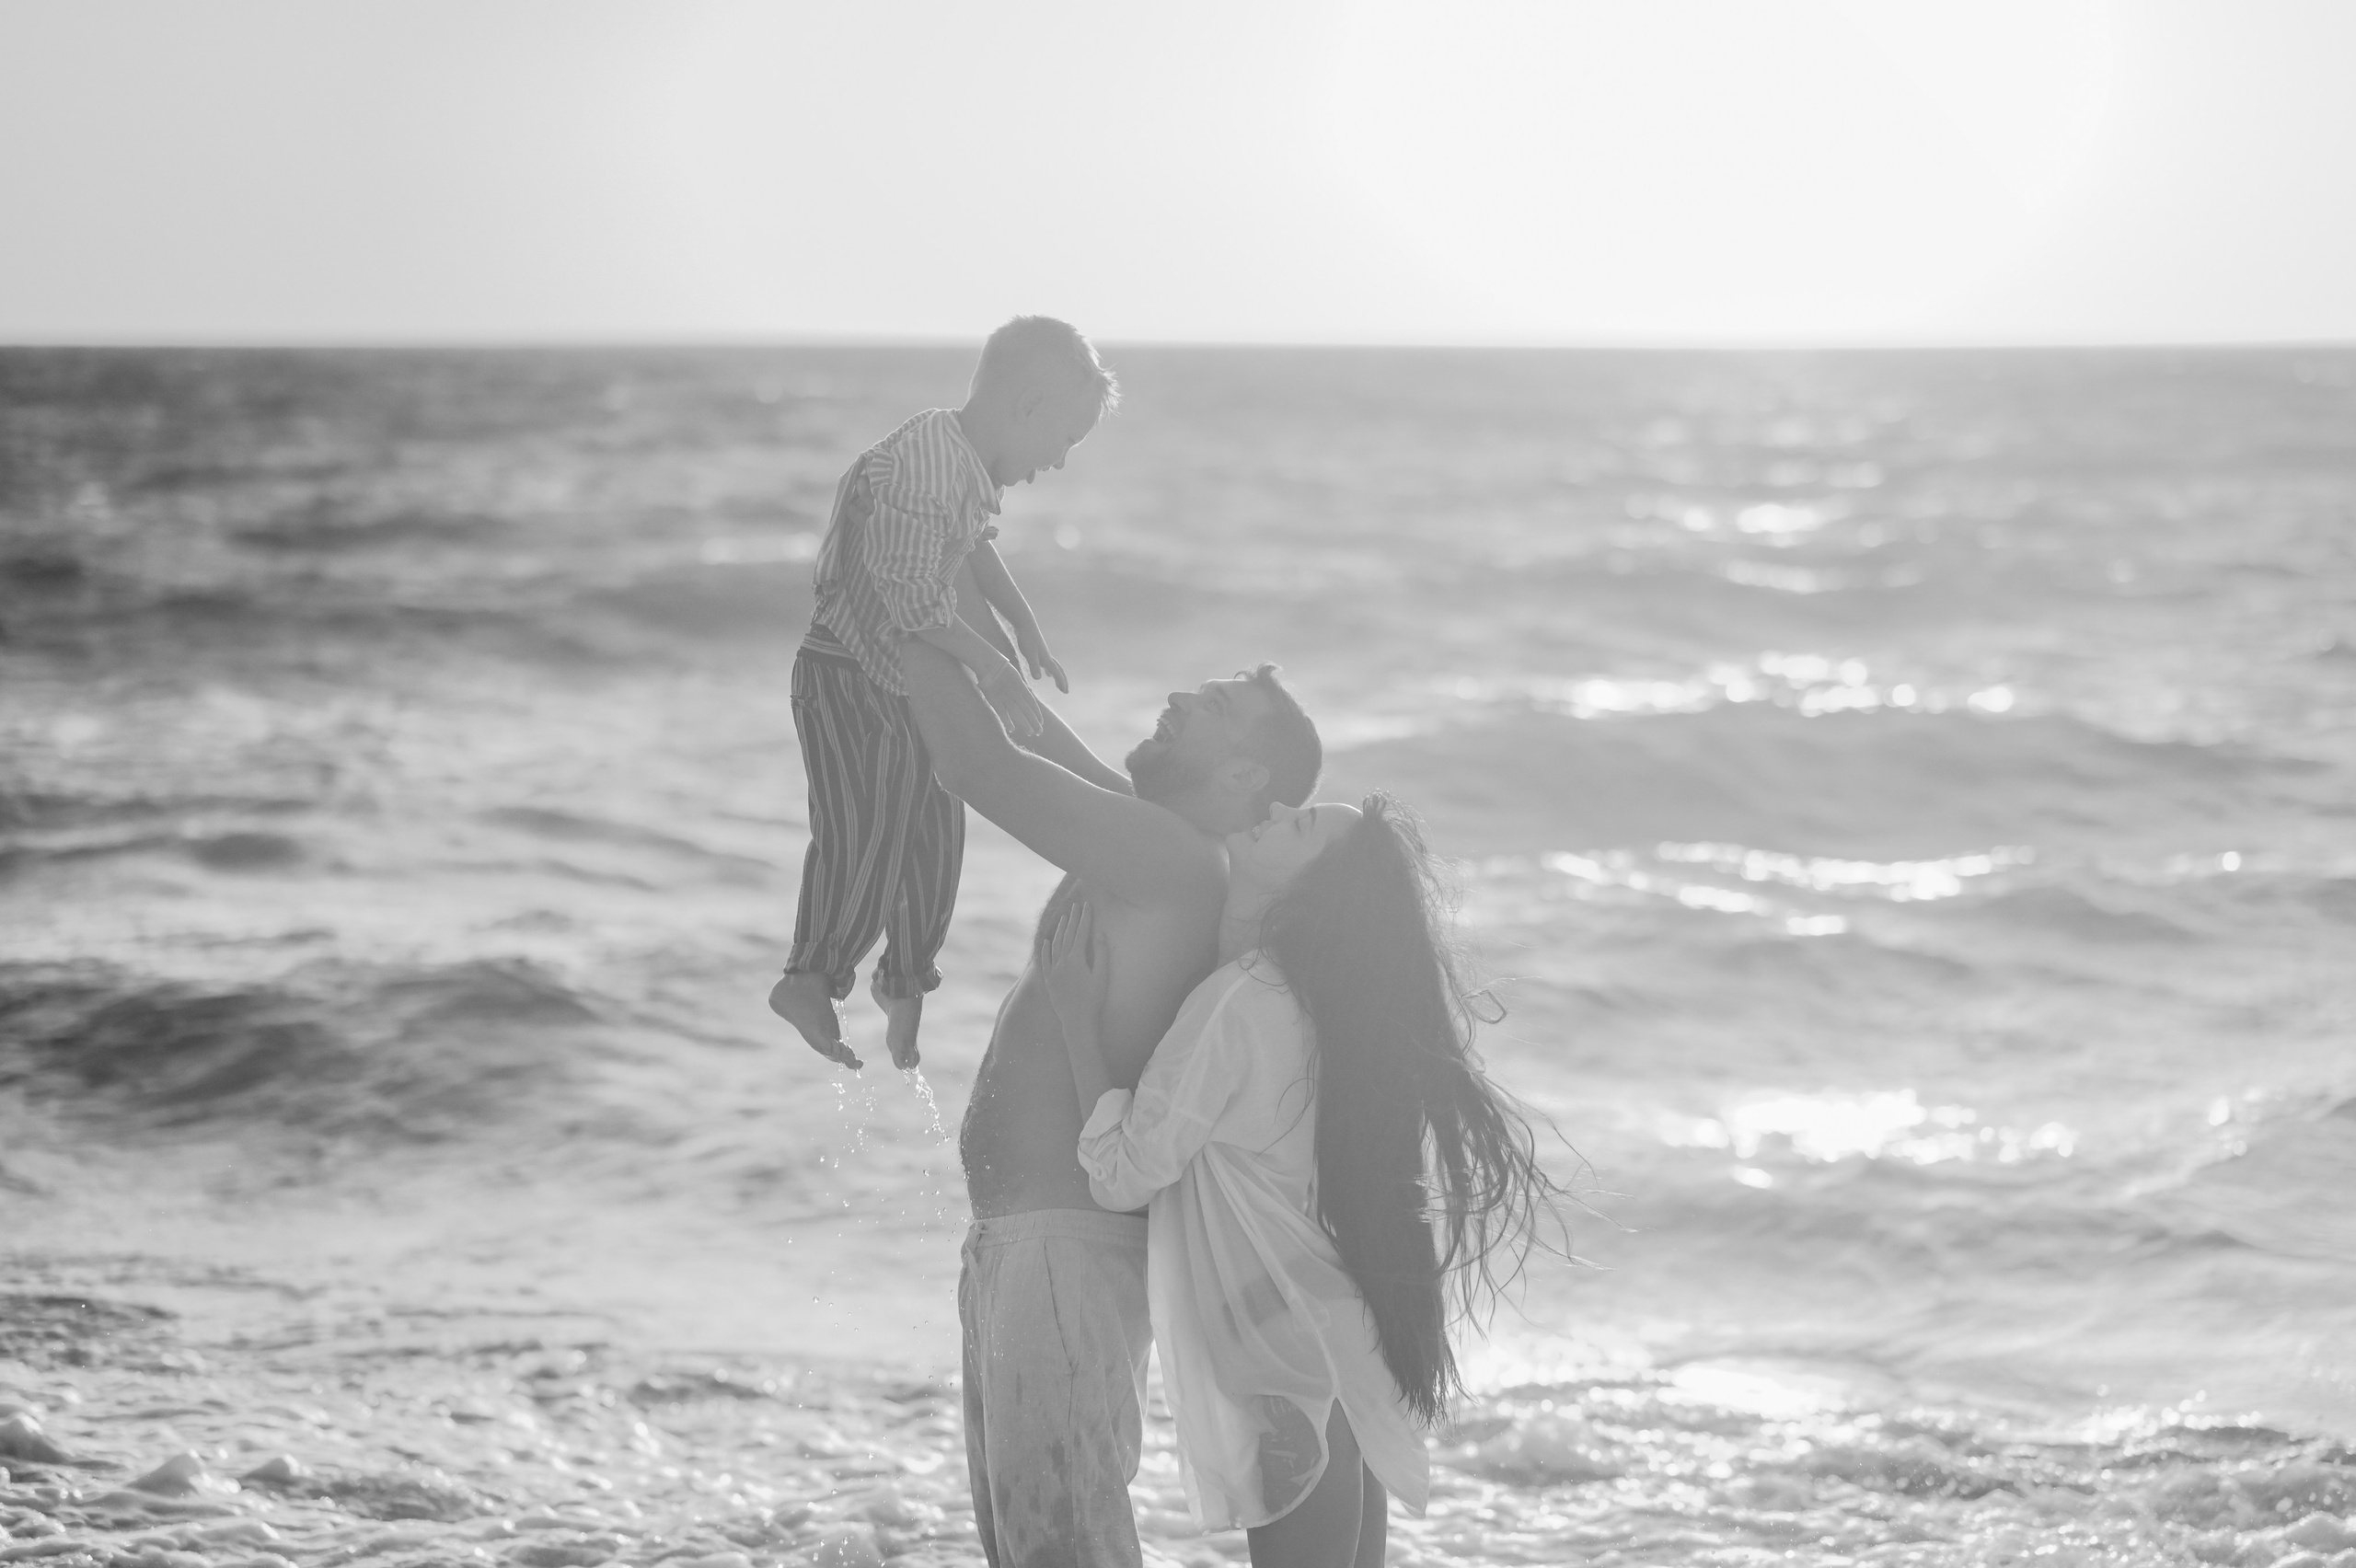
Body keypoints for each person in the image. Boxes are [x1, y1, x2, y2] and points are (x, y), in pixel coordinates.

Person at [878, 637, 1323, 1566]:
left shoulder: (1168, 853)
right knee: (1034, 1544)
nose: (1178, 697)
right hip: (1030, 1244)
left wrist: (894, 613)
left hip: (1064, 1249)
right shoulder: (1156, 838)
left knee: (1061, 1544)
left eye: (1211, 704)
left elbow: (979, 765)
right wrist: (968, 630)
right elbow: (1031, 741)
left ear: (1244, 771)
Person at [1042, 794, 1565, 1568]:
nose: (1280, 807)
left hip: (1282, 1350)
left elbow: (1123, 1175)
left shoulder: (1239, 1000)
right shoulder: (1307, 1003)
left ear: (1311, 887)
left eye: (1302, 824)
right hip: (1329, 1342)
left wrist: (1075, 1020)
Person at [768, 315, 1118, 1071]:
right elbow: (911, 597)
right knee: (867, 825)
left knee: (933, 831)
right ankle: (810, 976)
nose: (1058, 463)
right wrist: (992, 670)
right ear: (1027, 408)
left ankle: (903, 981)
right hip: (842, 675)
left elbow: (971, 553)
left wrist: (1024, 628)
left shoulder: (961, 464)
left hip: (894, 681)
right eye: (1064, 440)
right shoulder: (928, 460)